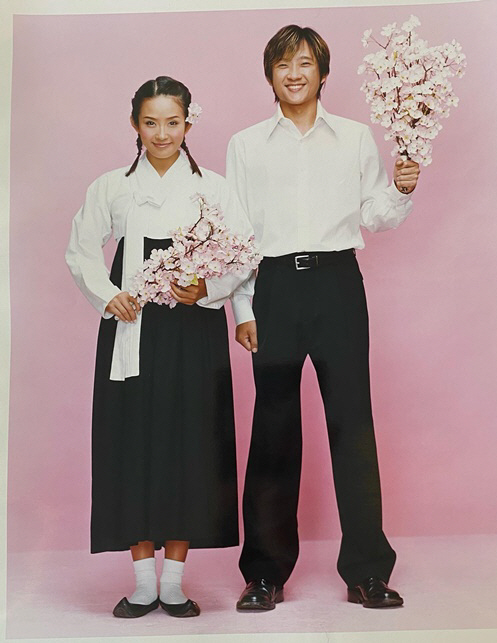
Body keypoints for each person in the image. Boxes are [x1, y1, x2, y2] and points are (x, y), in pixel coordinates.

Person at [226, 25, 420, 610]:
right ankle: (264, 573)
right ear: (270, 76)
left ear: (322, 73)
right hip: (274, 286)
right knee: (274, 431)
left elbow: (377, 215)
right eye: (284, 64)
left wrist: (404, 188)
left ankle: (367, 571)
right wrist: (242, 306)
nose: (294, 74)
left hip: (338, 284)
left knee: (353, 428)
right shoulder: (246, 145)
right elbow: (236, 233)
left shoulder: (356, 138)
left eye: (305, 63)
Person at [66, 76, 255, 618]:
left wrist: (206, 289)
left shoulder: (213, 188)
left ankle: (174, 581)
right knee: (133, 443)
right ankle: (142, 581)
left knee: (190, 442)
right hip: (133, 329)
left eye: (173, 122)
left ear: (189, 123)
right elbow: (80, 250)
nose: (162, 133)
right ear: (135, 125)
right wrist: (109, 296)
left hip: (192, 329)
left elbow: (243, 254)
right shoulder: (112, 186)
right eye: (151, 122)